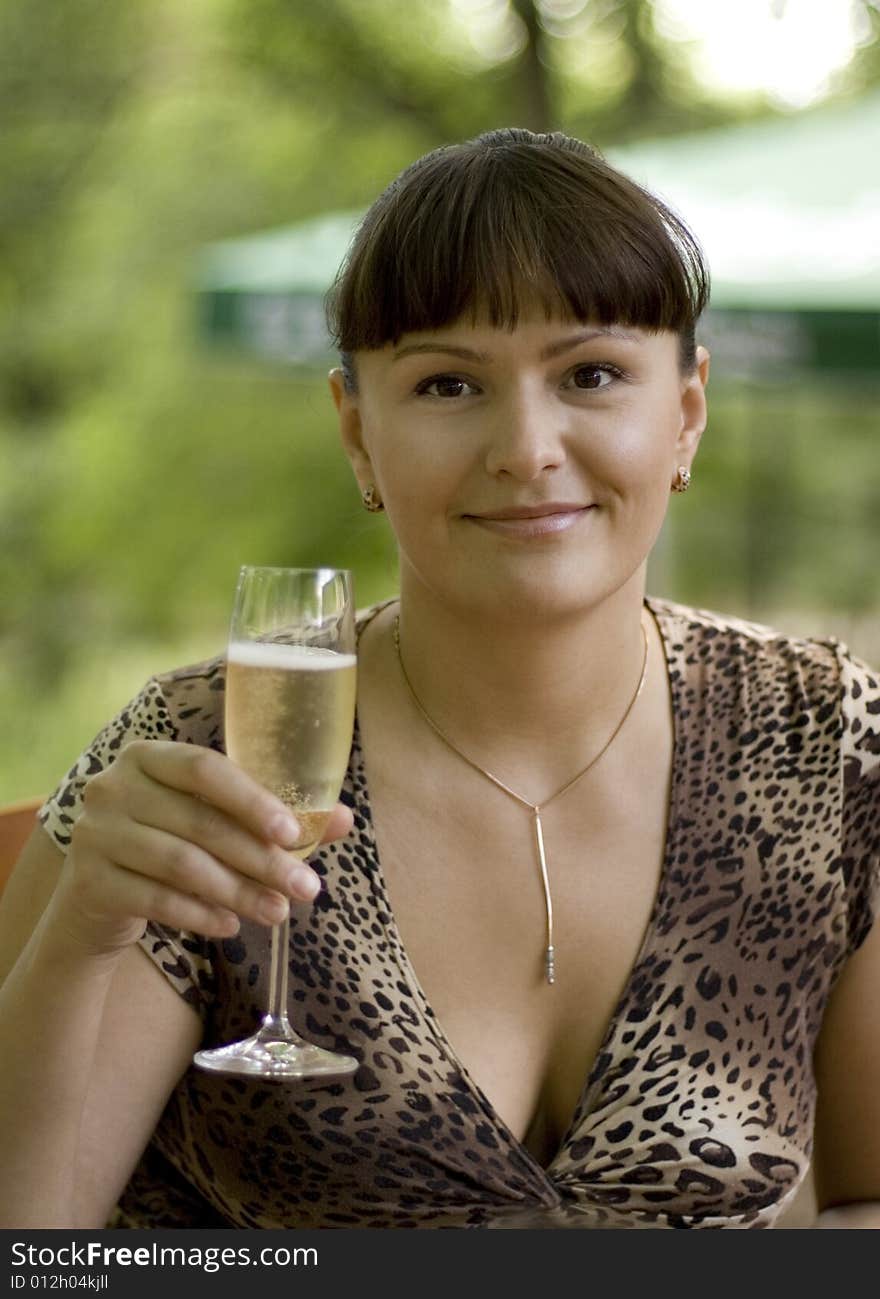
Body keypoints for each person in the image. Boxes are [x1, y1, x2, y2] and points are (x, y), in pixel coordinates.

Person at [1, 128, 878, 1232]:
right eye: (449, 382)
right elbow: (32, 1254)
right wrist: (83, 931)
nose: (525, 445)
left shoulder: (822, 740)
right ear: (358, 434)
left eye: (592, 374)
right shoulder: (204, 759)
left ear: (686, 413)